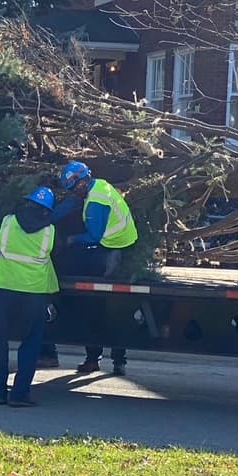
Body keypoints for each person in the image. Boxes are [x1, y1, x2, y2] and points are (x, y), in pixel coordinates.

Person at [59, 160, 138, 375]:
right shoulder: (99, 185)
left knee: (96, 305)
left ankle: (100, 358)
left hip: (110, 250)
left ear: (81, 183)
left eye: (73, 189)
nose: (73, 193)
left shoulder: (95, 201)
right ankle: (112, 360)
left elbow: (93, 236)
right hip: (121, 244)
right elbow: (71, 205)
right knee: (108, 309)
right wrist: (51, 216)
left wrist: (70, 240)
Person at [0, 186, 60, 407]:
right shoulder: (50, 231)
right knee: (30, 343)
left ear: (28, 203)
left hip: (4, 288)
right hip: (34, 293)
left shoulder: (8, 222)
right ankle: (19, 395)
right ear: (47, 211)